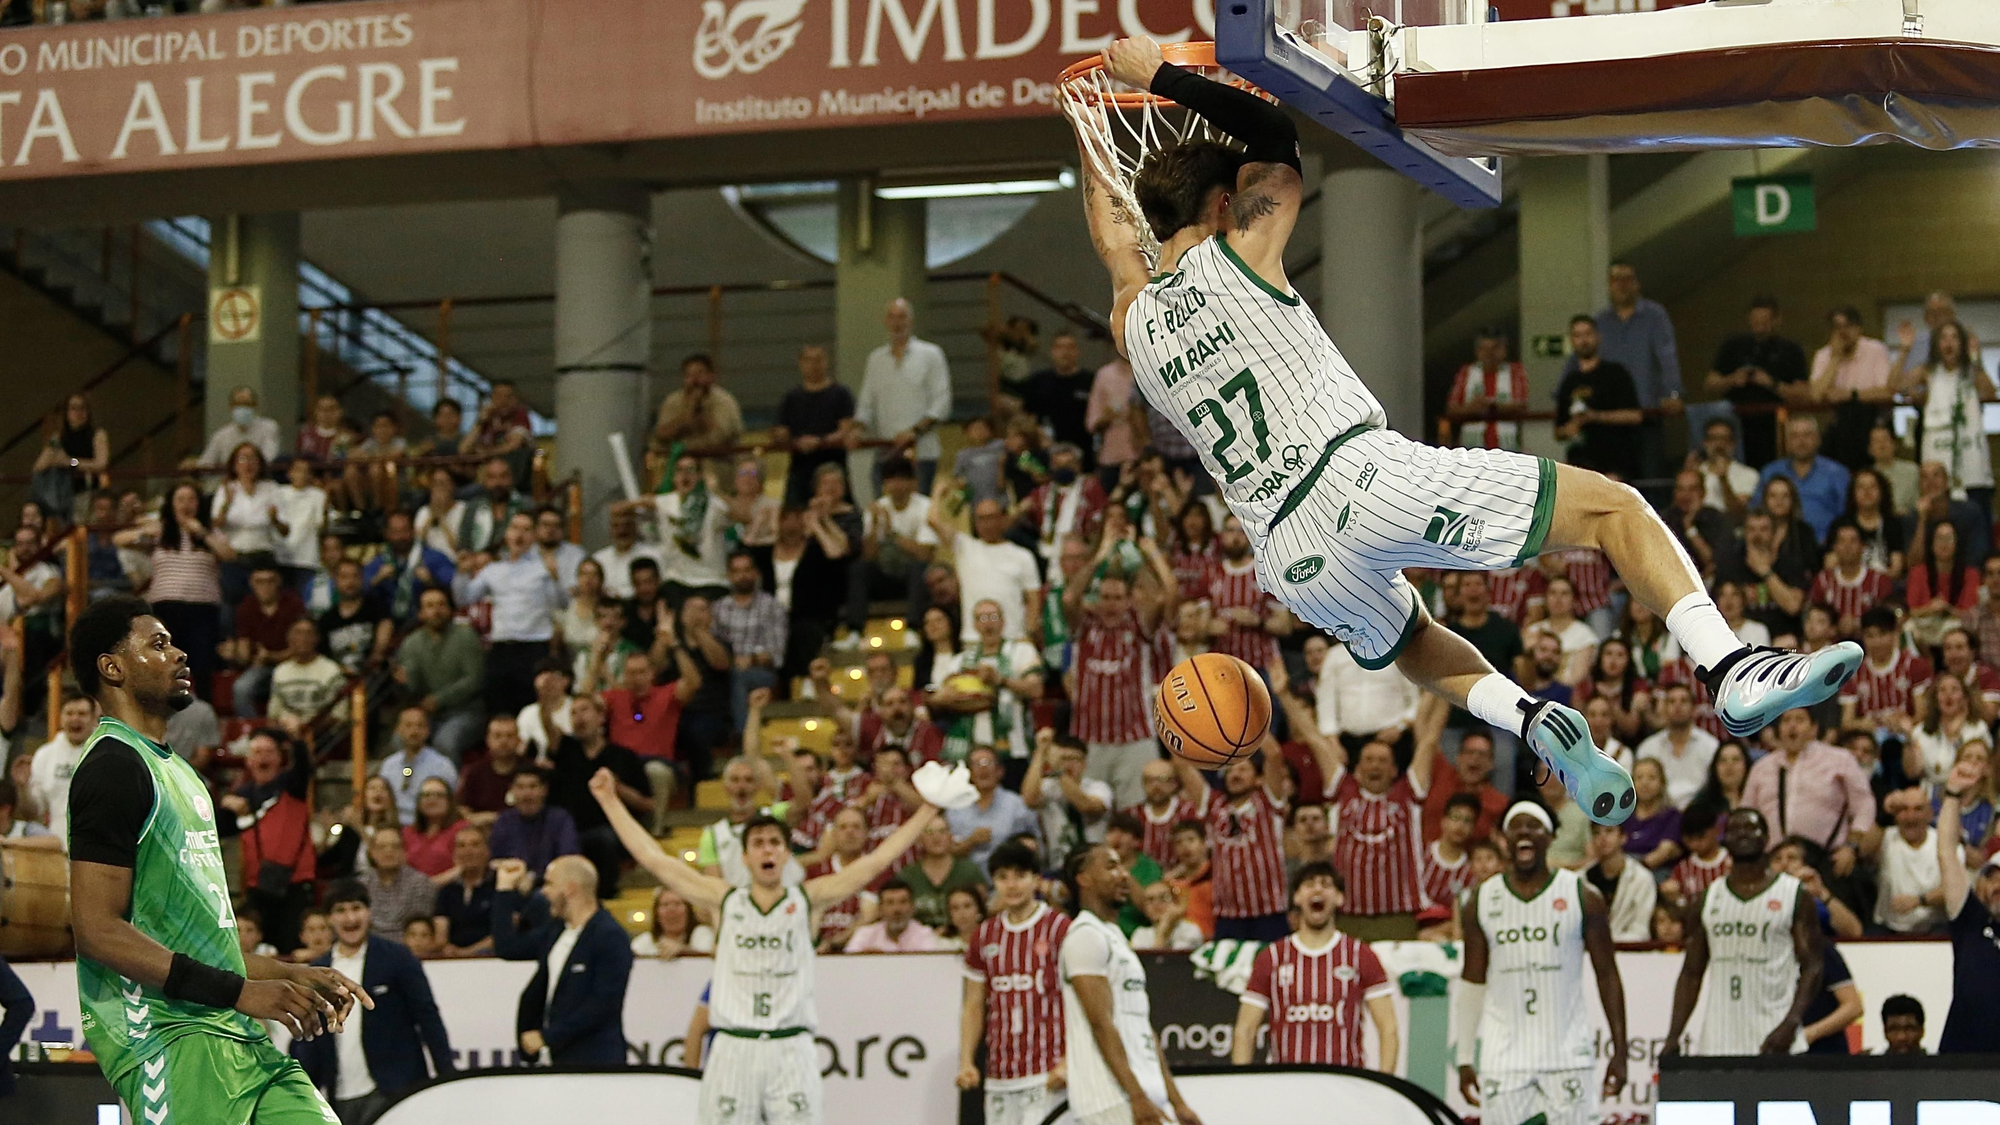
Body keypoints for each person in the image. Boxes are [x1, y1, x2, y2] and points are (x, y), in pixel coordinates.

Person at [1076, 37, 1861, 830]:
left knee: (1412, 637)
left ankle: (1528, 721)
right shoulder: (1240, 252)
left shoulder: (1132, 322)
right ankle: (1732, 670)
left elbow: (1114, 242)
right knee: (1614, 508)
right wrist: (1160, 80)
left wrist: (1083, 121)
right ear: (1223, 207)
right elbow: (1276, 139)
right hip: (1352, 476)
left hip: (1287, 558)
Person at [64, 595, 367, 1123]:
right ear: (111, 668)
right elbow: (96, 929)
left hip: (234, 1032)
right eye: (158, 644)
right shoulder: (112, 767)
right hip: (167, 1038)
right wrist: (243, 991)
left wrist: (290, 973)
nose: (179, 654)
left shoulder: (180, 773)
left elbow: (205, 941)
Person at [587, 754, 956, 1121]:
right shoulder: (724, 900)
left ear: (785, 855)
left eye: (774, 843)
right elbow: (655, 860)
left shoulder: (809, 899)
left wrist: (926, 812)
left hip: (790, 1046)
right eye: (759, 843)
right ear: (745, 857)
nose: (767, 849)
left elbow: (874, 863)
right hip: (734, 1045)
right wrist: (609, 801)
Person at [1456, 803, 1629, 1125]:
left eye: (1534, 826)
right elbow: (1472, 982)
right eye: (1516, 827)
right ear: (1504, 840)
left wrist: (1620, 1051)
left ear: (1550, 838)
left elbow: (1607, 976)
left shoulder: (1583, 895)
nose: (1524, 832)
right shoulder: (1480, 900)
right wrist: (1464, 1057)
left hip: (1567, 1054)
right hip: (1503, 1056)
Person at [1059, 842, 1205, 1125]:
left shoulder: (1114, 936)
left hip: (1143, 1093)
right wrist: (1135, 1097)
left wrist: (1177, 1102)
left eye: (1123, 866)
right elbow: (1100, 1022)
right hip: (1110, 1098)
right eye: (1111, 866)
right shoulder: (1084, 936)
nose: (1124, 875)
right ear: (1084, 878)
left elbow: (1142, 1026)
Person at [1662, 807, 1824, 1056]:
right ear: (1724, 838)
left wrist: (1791, 1023)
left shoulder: (1793, 894)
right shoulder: (1708, 898)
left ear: (1767, 837)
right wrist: (1674, 1035)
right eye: (1735, 829)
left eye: (1751, 828)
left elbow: (1813, 965)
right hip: (1719, 1038)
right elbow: (1691, 973)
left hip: (1776, 1035)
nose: (1743, 835)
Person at [291, 881, 454, 1125]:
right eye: (340, 911)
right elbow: (308, 1034)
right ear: (330, 919)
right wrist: (300, 1092)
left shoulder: (397, 958)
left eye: (356, 908)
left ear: (369, 912)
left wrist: (447, 1079)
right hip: (339, 1095)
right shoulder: (317, 971)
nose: (350, 918)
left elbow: (428, 1017)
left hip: (394, 1089)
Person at [1232, 862, 1397, 1069]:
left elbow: (1388, 1028)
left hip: (1345, 1085)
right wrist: (1241, 1086)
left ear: (1339, 898)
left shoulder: (1360, 955)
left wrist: (1384, 1090)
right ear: (1297, 898)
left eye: (1326, 884)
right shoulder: (1271, 957)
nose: (1318, 889)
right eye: (1309, 884)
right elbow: (1245, 1030)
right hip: (1286, 1085)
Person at [958, 839, 1071, 1125]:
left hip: (1049, 1074)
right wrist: (966, 1060)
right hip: (999, 1077)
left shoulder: (1060, 928)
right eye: (1002, 877)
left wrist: (1070, 1061)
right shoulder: (984, 935)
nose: (1012, 885)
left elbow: (1081, 1000)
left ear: (1036, 879)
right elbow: (973, 1004)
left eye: (1020, 876)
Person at [490, 855, 632, 1065]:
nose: (544, 891)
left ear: (570, 888)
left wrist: (547, 1036)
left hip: (596, 1059)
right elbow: (506, 947)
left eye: (549, 883)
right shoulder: (555, 931)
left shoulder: (609, 935)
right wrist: (504, 888)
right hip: (557, 1057)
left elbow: (603, 1004)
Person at [457, 511, 566, 718]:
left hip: (534, 649)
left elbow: (560, 604)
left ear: (533, 537)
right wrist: (462, 573)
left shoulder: (543, 568)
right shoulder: (493, 570)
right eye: (515, 528)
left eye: (526, 530)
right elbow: (464, 599)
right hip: (501, 649)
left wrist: (554, 578)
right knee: (499, 708)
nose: (520, 535)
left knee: (533, 712)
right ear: (506, 534)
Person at [1935, 755, 2000, 1052]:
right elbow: (1948, 852)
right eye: (1991, 877)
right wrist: (1952, 794)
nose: (1997, 885)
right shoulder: (1971, 922)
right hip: (1961, 1063)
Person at [853, 297, 953, 490]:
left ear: (911, 321)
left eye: (902, 317)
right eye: (892, 317)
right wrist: (857, 427)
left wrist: (913, 431)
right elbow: (866, 403)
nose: (897, 323)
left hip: (922, 451)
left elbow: (942, 402)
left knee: (918, 510)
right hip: (886, 449)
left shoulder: (931, 354)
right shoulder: (876, 359)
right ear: (885, 321)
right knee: (883, 511)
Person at [1706, 296, 1811, 467]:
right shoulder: (1733, 345)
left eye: (1764, 321)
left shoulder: (1790, 350)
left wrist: (1771, 383)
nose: (1759, 326)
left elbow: (1804, 393)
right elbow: (1710, 383)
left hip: (1773, 424)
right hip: (1737, 423)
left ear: (1776, 321)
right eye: (1755, 321)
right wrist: (1733, 379)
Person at [1552, 315, 1643, 480]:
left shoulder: (1616, 373)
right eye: (1577, 335)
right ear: (1571, 340)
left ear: (1597, 337)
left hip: (1615, 463)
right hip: (1579, 465)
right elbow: (1558, 431)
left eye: (1587, 334)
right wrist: (1571, 428)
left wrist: (1595, 417)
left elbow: (1634, 416)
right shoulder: (1569, 381)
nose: (1583, 341)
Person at [773, 344, 857, 505]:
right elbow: (781, 430)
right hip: (800, 470)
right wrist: (792, 441)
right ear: (800, 363)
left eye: (818, 360)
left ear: (826, 362)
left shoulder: (841, 394)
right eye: (808, 360)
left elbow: (846, 429)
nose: (813, 365)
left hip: (833, 466)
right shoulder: (791, 398)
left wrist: (820, 441)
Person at [946, 746, 1041, 873]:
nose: (983, 768)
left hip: (1010, 880)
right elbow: (944, 853)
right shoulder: (955, 808)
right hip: (966, 882)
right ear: (968, 773)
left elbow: (1037, 849)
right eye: (977, 764)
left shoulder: (1017, 805)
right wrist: (971, 841)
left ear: (1000, 771)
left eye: (988, 763)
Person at [27, 691, 97, 843]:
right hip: (56, 846)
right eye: (69, 713)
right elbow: (34, 812)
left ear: (94, 719)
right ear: (60, 717)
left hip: (95, 845)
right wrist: (21, 786)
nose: (75, 719)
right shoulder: (45, 755)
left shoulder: (105, 753)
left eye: (82, 713)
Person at [651, 352, 745, 463]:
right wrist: (684, 417)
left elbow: (719, 437)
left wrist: (700, 412)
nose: (694, 381)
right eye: (689, 375)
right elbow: (661, 434)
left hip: (718, 462)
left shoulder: (724, 401)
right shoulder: (673, 401)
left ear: (711, 376)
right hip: (679, 462)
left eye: (699, 374)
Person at [1446, 328, 1530, 451]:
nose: (1489, 354)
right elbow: (1451, 409)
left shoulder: (1515, 372)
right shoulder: (1466, 373)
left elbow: (1522, 406)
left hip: (1507, 446)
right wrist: (1472, 408)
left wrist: (1494, 406)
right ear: (1477, 351)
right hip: (1472, 448)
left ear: (1504, 350)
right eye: (1484, 349)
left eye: (1495, 348)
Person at [488, 768, 580, 878]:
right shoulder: (504, 820)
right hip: (511, 882)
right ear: (512, 790)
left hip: (549, 885)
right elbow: (494, 860)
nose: (527, 794)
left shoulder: (560, 819)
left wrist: (534, 877)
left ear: (544, 790)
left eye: (533, 787)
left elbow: (568, 860)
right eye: (520, 787)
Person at [266, 619, 344, 737]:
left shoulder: (331, 671)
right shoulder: (280, 672)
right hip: (286, 735)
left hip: (321, 736)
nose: (303, 638)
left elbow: (338, 715)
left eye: (308, 633)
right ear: (289, 638)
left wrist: (307, 731)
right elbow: (273, 715)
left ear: (316, 639)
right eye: (298, 633)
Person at [1584, 820, 1658, 942]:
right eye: (1596, 833)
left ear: (1623, 837)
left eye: (1609, 831)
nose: (1602, 838)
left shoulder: (1641, 878)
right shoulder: (1581, 879)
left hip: (1630, 952)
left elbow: (1641, 930)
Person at [431, 826, 496, 957]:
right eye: (461, 846)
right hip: (452, 959)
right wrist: (447, 948)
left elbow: (502, 934)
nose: (468, 851)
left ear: (487, 851)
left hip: (491, 957)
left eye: (475, 845)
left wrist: (466, 953)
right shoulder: (447, 890)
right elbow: (440, 934)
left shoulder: (499, 886)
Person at [844, 878, 942, 953]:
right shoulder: (865, 934)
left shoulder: (924, 935)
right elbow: (849, 965)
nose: (897, 909)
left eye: (903, 902)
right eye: (890, 903)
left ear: (912, 907)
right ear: (880, 909)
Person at [196, 386, 282, 466]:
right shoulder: (221, 435)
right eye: (238, 405)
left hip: (261, 479)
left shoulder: (269, 427)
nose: (242, 408)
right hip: (230, 481)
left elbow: (269, 457)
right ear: (231, 407)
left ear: (255, 406)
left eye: (247, 404)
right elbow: (206, 462)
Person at [630, 886, 716, 960]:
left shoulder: (702, 933)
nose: (671, 910)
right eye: (665, 905)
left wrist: (683, 951)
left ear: (688, 911)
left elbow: (709, 956)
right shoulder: (644, 940)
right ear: (656, 914)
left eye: (677, 904)